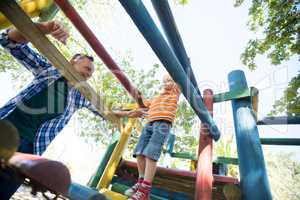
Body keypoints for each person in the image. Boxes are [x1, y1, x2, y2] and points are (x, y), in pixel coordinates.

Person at [0, 20, 104, 199]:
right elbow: (8, 41)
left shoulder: (80, 97)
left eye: (91, 74)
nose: (88, 74)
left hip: (28, 149)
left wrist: (127, 113)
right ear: (72, 62)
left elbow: (103, 111)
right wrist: (45, 28)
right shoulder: (48, 70)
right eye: (87, 68)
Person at [126, 74, 181, 200]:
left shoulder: (175, 92)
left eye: (170, 80)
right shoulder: (156, 98)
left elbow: (181, 76)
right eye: (165, 80)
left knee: (151, 152)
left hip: (163, 123)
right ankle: (140, 181)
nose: (167, 82)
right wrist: (138, 98)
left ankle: (145, 189)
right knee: (139, 152)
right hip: (149, 123)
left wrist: (185, 65)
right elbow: (144, 106)